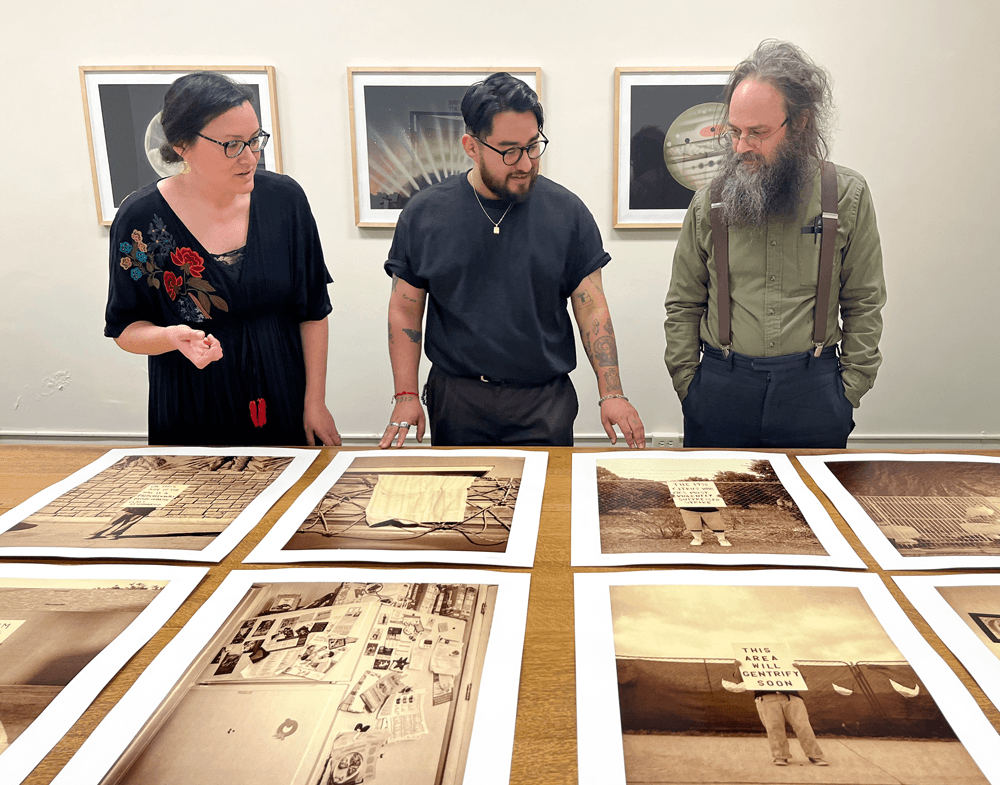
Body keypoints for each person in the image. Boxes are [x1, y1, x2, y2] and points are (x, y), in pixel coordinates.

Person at [380, 73, 644, 448]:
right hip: (458, 400)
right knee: (464, 504)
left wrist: (612, 392)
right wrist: (405, 395)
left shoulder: (567, 212)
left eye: (533, 146)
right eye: (509, 150)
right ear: (471, 146)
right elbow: (405, 309)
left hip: (544, 402)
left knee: (549, 506)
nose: (524, 163)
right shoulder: (425, 214)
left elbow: (592, 307)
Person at [664, 40, 886, 448]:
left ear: (800, 123)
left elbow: (864, 301)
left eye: (758, 133)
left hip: (814, 392)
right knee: (711, 513)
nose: (741, 146)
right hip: (719, 389)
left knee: (814, 510)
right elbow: (683, 303)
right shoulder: (707, 202)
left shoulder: (847, 196)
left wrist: (849, 389)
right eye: (734, 132)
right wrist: (688, 384)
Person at [105, 72, 340, 446]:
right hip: (192, 403)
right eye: (232, 145)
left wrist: (315, 401)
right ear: (182, 145)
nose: (249, 158)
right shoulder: (140, 219)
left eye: (254, 140)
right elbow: (125, 328)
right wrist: (171, 336)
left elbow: (312, 310)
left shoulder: (284, 200)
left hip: (283, 394)